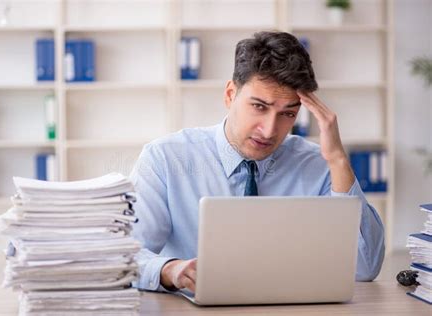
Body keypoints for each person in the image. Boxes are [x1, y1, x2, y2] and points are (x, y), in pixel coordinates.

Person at [129, 31, 385, 293]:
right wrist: (169, 270)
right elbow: (124, 257)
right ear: (230, 95)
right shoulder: (165, 159)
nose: (269, 130)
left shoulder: (318, 165)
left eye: (287, 113)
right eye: (259, 107)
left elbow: (365, 268)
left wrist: (339, 160)